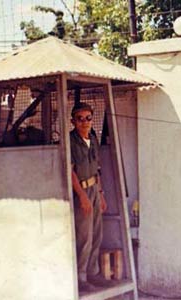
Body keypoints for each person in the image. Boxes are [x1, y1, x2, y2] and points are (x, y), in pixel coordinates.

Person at [70, 102, 114, 292]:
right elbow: (69, 171)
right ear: (73, 121)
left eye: (88, 118)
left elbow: (97, 169)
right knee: (84, 235)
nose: (84, 122)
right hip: (81, 191)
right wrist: (82, 196)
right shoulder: (70, 141)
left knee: (97, 233)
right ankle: (80, 277)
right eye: (80, 119)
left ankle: (92, 274)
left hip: (95, 189)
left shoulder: (93, 138)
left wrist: (101, 194)